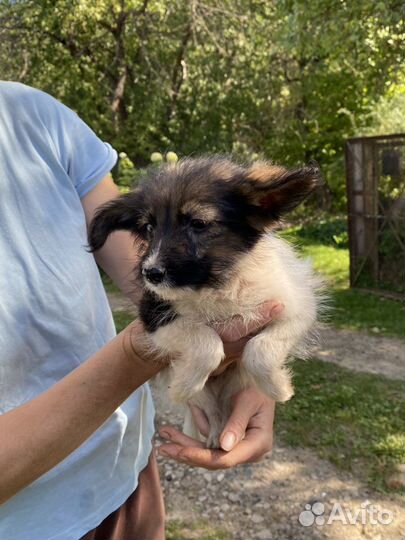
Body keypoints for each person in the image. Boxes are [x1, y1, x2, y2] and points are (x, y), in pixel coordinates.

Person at [0, 81, 279, 540]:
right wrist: (136, 355)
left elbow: (153, 275)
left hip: (124, 472)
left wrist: (248, 360)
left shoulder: (36, 116)